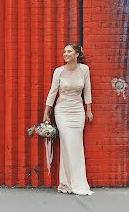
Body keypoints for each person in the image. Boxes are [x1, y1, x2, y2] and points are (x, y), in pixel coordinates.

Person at [43, 43, 93, 195]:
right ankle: (69, 182)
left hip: (77, 111)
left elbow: (87, 90)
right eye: (64, 51)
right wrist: (47, 112)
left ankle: (68, 183)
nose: (65, 54)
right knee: (67, 143)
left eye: (69, 51)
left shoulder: (84, 69)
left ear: (76, 54)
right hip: (62, 111)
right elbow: (53, 92)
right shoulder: (59, 71)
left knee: (75, 145)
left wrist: (88, 110)